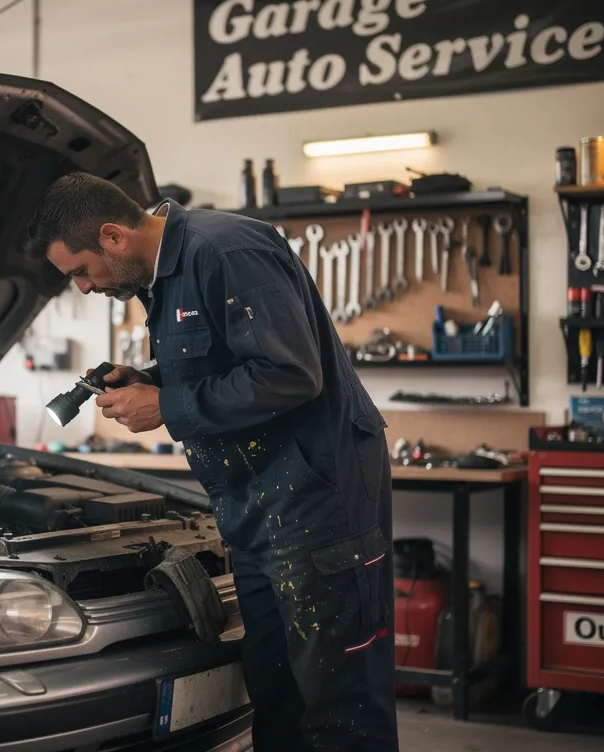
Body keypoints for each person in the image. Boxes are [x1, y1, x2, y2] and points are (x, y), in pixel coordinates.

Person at [24, 172, 398, 751]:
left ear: (113, 237)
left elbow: (291, 374)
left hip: (319, 500)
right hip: (253, 509)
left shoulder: (225, 249)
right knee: (276, 691)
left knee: (337, 701)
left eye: (79, 270)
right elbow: (224, 362)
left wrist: (167, 405)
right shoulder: (161, 275)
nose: (82, 287)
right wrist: (149, 379)